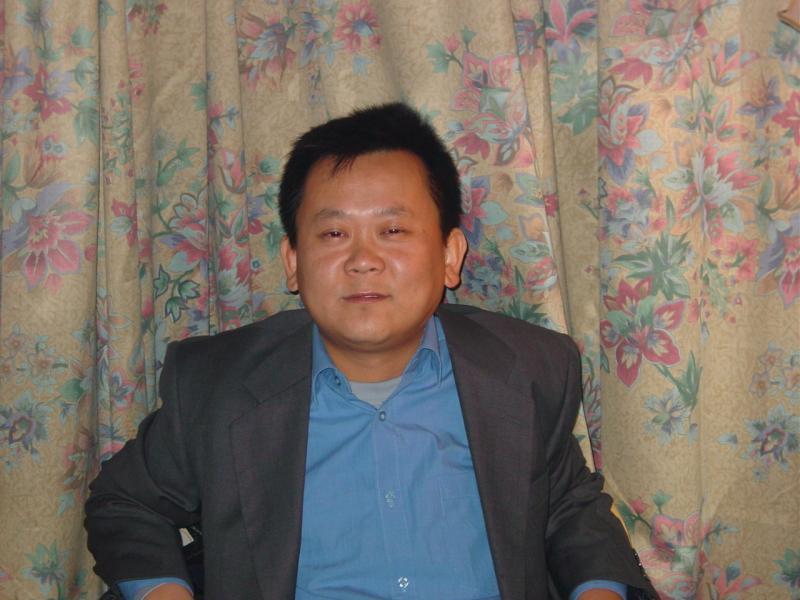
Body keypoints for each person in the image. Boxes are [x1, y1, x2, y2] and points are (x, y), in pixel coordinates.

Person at [85, 103, 657, 600]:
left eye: (393, 231)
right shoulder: (218, 385)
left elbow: (567, 505)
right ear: (292, 262)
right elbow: (125, 503)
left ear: (450, 256)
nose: (363, 260)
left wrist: (599, 592)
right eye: (334, 234)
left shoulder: (529, 369)